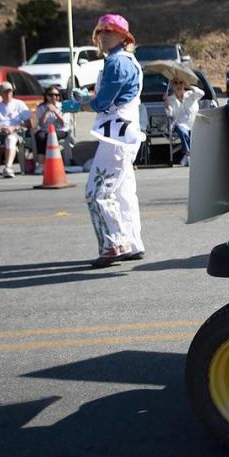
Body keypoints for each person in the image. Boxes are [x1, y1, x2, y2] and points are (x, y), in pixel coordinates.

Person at [64, 14, 146, 267]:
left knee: (97, 191)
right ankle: (131, 242)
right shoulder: (122, 60)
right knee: (122, 192)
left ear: (124, 36)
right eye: (100, 32)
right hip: (123, 133)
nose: (104, 36)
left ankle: (114, 244)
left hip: (116, 134)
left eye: (110, 31)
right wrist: (88, 97)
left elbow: (103, 103)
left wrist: (78, 104)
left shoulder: (117, 62)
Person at [0, 80, 31, 178]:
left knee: (10, 139)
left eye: (10, 91)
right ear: (0, 93)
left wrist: (14, 127)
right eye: (5, 92)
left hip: (15, 132)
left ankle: (8, 168)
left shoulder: (19, 104)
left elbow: (28, 124)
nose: (8, 94)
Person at [163, 77, 204, 167]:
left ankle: (187, 155)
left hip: (195, 123)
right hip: (180, 124)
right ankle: (189, 154)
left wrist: (189, 86)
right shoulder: (170, 99)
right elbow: (170, 114)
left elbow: (202, 93)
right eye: (176, 83)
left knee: (193, 132)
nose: (179, 85)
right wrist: (167, 104)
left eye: (181, 82)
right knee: (182, 131)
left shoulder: (191, 94)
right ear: (172, 86)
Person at [33, 85, 72, 169]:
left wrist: (55, 112)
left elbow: (64, 123)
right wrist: (46, 111)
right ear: (46, 96)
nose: (54, 97)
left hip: (60, 130)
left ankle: (54, 163)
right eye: (51, 95)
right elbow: (40, 124)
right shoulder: (41, 107)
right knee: (40, 137)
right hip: (46, 129)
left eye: (56, 95)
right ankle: (41, 164)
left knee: (50, 136)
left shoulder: (63, 106)